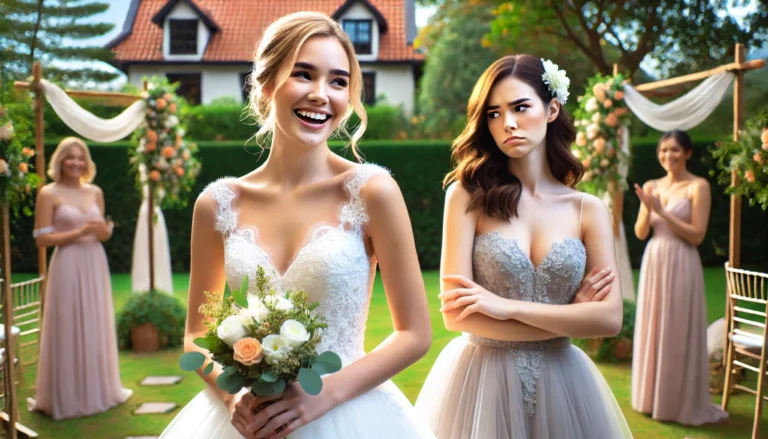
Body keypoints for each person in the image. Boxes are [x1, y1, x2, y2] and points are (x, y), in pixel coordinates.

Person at [159, 11, 435, 439]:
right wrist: (233, 398)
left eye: (339, 81)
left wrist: (323, 395)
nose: (322, 95)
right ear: (266, 84)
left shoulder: (372, 193)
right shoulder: (217, 204)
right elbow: (197, 334)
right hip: (247, 422)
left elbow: (415, 334)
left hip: (349, 413)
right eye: (304, 75)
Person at [414, 55, 633, 439]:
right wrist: (569, 318)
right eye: (494, 114)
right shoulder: (467, 196)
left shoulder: (588, 209)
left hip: (564, 383)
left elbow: (609, 319)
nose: (507, 124)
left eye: (519, 107)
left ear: (551, 109)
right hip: (481, 382)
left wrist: (506, 307)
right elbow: (458, 317)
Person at [29, 136, 131, 420]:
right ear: (59, 161)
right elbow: (41, 238)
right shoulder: (49, 193)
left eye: (80, 157)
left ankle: (99, 391)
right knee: (68, 323)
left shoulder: (95, 191)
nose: (75, 162)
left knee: (95, 322)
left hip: (95, 262)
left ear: (87, 162)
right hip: (67, 264)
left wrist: (103, 230)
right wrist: (80, 232)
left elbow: (103, 234)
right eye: (69, 157)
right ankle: (67, 397)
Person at [631, 129, 727, 425]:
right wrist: (648, 209)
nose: (668, 156)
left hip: (683, 261)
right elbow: (640, 232)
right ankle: (650, 398)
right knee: (654, 326)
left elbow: (697, 235)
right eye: (663, 150)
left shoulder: (698, 186)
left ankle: (676, 401)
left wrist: (663, 211)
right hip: (655, 260)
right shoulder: (651, 185)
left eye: (674, 150)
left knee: (675, 326)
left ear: (687, 153)